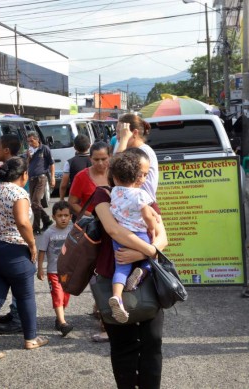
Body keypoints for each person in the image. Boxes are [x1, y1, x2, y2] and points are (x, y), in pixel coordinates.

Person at [90, 148, 168, 388]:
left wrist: (147, 251)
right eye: (142, 173)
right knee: (123, 345)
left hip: (148, 275)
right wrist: (148, 249)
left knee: (152, 342)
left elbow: (164, 236)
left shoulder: (146, 197)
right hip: (111, 272)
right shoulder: (102, 195)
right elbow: (113, 230)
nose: (143, 179)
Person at [0, 157, 49, 359]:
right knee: (25, 296)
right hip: (13, 252)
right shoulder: (19, 193)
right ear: (24, 175)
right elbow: (23, 222)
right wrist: (32, 244)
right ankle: (31, 338)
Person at [107, 151, 157, 324]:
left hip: (120, 238)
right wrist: (152, 226)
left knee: (121, 268)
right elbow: (147, 214)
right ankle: (142, 271)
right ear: (136, 176)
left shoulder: (114, 192)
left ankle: (117, 297)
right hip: (140, 235)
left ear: (115, 177)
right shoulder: (141, 194)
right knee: (150, 260)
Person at [36, 200, 74, 336]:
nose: (63, 218)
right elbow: (42, 251)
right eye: (59, 216)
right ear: (53, 217)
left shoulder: (73, 230)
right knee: (57, 295)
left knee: (65, 297)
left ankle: (59, 318)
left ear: (70, 217)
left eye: (66, 215)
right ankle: (63, 323)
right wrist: (40, 268)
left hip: (68, 271)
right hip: (53, 271)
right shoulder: (49, 233)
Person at [114, 114, 158, 202]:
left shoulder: (142, 151)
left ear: (134, 133)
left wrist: (123, 140)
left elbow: (116, 168)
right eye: (117, 132)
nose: (118, 136)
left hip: (142, 206)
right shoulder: (129, 149)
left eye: (121, 132)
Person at [68, 141, 110, 217]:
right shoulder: (81, 177)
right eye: (96, 159)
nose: (100, 163)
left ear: (110, 157)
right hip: (92, 224)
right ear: (90, 158)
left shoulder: (116, 174)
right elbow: (72, 203)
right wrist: (90, 216)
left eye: (103, 159)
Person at [25, 131, 55, 235]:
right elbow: (27, 164)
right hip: (31, 178)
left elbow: (51, 164)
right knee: (35, 204)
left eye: (32, 141)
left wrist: (53, 178)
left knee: (35, 202)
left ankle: (36, 227)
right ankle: (47, 220)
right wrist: (29, 156)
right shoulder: (30, 150)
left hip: (41, 178)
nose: (30, 143)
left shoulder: (44, 149)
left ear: (37, 139)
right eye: (28, 141)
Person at [59, 134, 91, 201]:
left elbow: (63, 185)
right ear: (89, 146)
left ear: (74, 147)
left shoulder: (69, 162)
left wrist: (61, 199)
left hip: (76, 198)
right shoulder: (96, 160)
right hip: (93, 196)